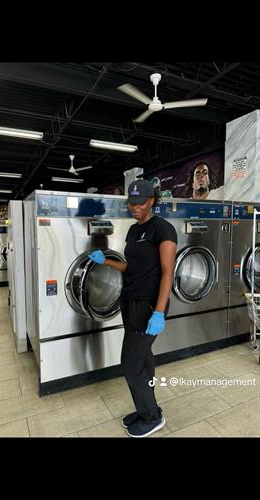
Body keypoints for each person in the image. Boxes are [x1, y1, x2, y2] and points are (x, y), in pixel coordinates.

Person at [88, 179, 177, 437]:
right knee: (143, 358)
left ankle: (152, 416)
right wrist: (107, 261)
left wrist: (159, 312)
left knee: (130, 363)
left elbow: (167, 273)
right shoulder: (133, 231)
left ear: (152, 201)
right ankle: (145, 407)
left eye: (139, 203)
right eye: (131, 203)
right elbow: (132, 268)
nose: (134, 208)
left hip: (149, 305)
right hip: (130, 301)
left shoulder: (163, 229)